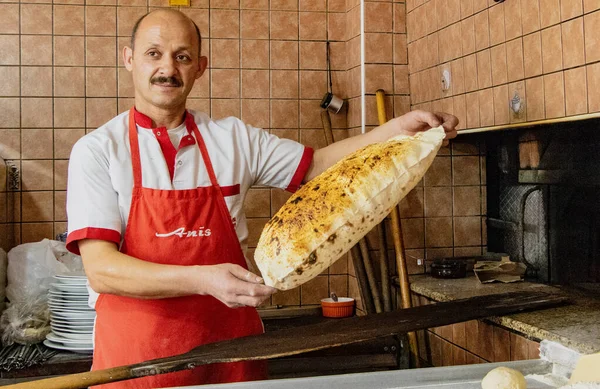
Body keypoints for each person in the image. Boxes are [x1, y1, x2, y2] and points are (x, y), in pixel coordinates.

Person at [65, 8, 458, 389]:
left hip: (232, 355)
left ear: (200, 66)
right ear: (129, 59)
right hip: (139, 362)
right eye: (154, 54)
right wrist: (203, 279)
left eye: (182, 57)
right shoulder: (98, 150)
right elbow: (101, 269)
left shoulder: (232, 139)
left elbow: (315, 166)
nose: (168, 69)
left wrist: (394, 130)